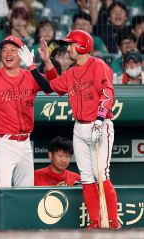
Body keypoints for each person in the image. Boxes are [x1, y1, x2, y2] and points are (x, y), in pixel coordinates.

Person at [18, 29, 120, 229]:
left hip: (99, 124)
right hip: (80, 127)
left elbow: (107, 93)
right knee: (87, 177)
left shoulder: (98, 65)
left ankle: (113, 222)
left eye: (71, 44)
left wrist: (99, 119)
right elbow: (49, 87)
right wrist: (33, 66)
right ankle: (95, 222)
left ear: (81, 46)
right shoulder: (72, 72)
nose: (68, 48)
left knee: (102, 175)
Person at [0, 35, 57, 187]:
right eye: (4, 50)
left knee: (25, 192)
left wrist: (47, 62)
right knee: (2, 190)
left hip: (25, 143)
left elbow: (53, 84)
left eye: (13, 50)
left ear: (21, 54)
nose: (8, 54)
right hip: (3, 143)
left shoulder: (30, 75)